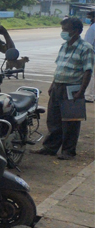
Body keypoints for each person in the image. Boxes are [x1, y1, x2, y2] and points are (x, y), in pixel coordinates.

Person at [34, 17, 94, 160]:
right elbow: (60, 68)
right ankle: (50, 148)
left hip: (73, 88)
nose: (63, 32)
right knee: (53, 119)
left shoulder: (86, 48)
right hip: (58, 86)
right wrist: (52, 84)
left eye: (66, 30)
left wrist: (81, 91)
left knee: (70, 121)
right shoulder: (64, 45)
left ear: (77, 31)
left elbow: (88, 71)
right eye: (63, 30)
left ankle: (68, 151)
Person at [85, 10, 95, 103]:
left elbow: (88, 44)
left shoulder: (92, 28)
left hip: (92, 55)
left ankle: (89, 96)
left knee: (90, 76)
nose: (87, 19)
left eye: (89, 17)